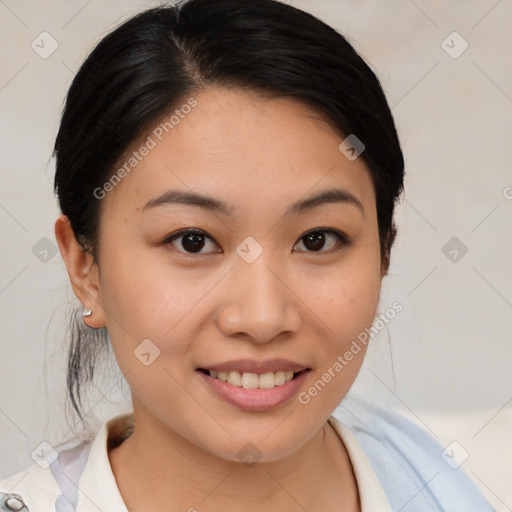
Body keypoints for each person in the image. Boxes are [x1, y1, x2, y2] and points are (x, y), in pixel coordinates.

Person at [0, 0, 494, 510]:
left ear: (384, 252)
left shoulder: (460, 479)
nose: (262, 318)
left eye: (317, 239)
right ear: (86, 270)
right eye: (192, 241)